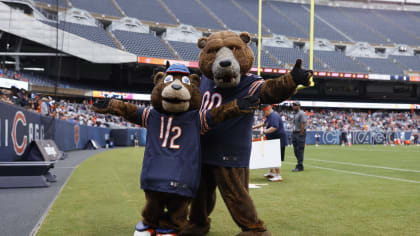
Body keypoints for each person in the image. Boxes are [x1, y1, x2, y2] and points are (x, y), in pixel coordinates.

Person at [252, 105, 288, 182]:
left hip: (278, 140)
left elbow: (275, 127)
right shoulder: (270, 116)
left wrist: (265, 131)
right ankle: (271, 172)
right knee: (270, 156)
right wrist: (254, 127)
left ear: (267, 110)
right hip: (272, 139)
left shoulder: (274, 116)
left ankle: (278, 175)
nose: (264, 114)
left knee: (275, 157)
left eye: (264, 112)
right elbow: (264, 124)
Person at [292, 101, 306, 172]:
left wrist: (301, 133)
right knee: (295, 150)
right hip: (295, 132)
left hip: (299, 133)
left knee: (300, 150)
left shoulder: (301, 113)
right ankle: (300, 164)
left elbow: (303, 124)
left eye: (295, 105)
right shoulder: (295, 113)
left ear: (299, 106)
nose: (293, 106)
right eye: (293, 105)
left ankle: (300, 166)